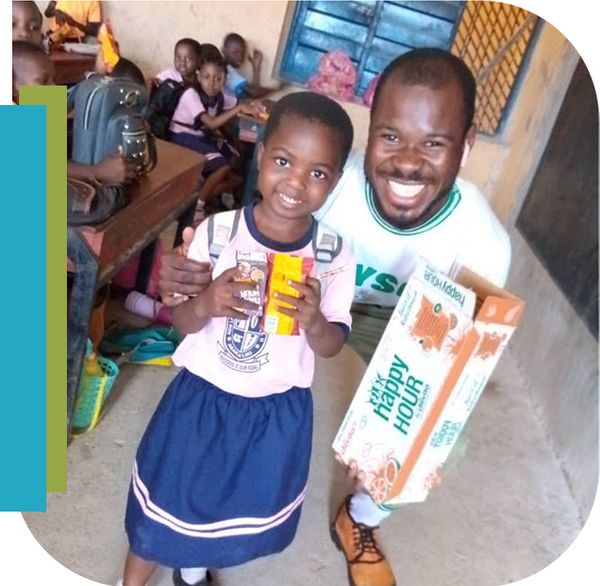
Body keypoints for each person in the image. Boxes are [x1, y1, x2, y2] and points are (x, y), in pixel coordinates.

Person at [157, 48, 512, 586]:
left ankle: (360, 517)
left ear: (466, 145)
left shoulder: (484, 243)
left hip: (414, 331)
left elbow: (460, 364)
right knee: (230, 406)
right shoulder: (324, 180)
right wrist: (192, 271)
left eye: (434, 143)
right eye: (391, 136)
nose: (408, 162)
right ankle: (200, 542)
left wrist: (403, 437)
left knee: (438, 439)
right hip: (316, 305)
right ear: (372, 130)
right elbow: (244, 232)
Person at [120, 91, 356, 586]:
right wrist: (204, 303)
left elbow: (332, 345)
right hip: (203, 401)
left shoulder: (334, 254)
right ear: (263, 151)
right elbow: (182, 321)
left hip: (274, 410)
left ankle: (189, 570)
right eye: (285, 161)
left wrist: (314, 321)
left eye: (317, 173)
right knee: (164, 505)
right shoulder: (219, 233)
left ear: (335, 181)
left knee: (225, 510)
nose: (296, 182)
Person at [222, 32, 283, 99]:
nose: (240, 57)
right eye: (235, 52)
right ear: (224, 51)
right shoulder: (226, 71)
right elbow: (254, 93)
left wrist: (256, 68)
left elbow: (252, 94)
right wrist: (278, 89)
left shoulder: (228, 68)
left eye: (243, 53)